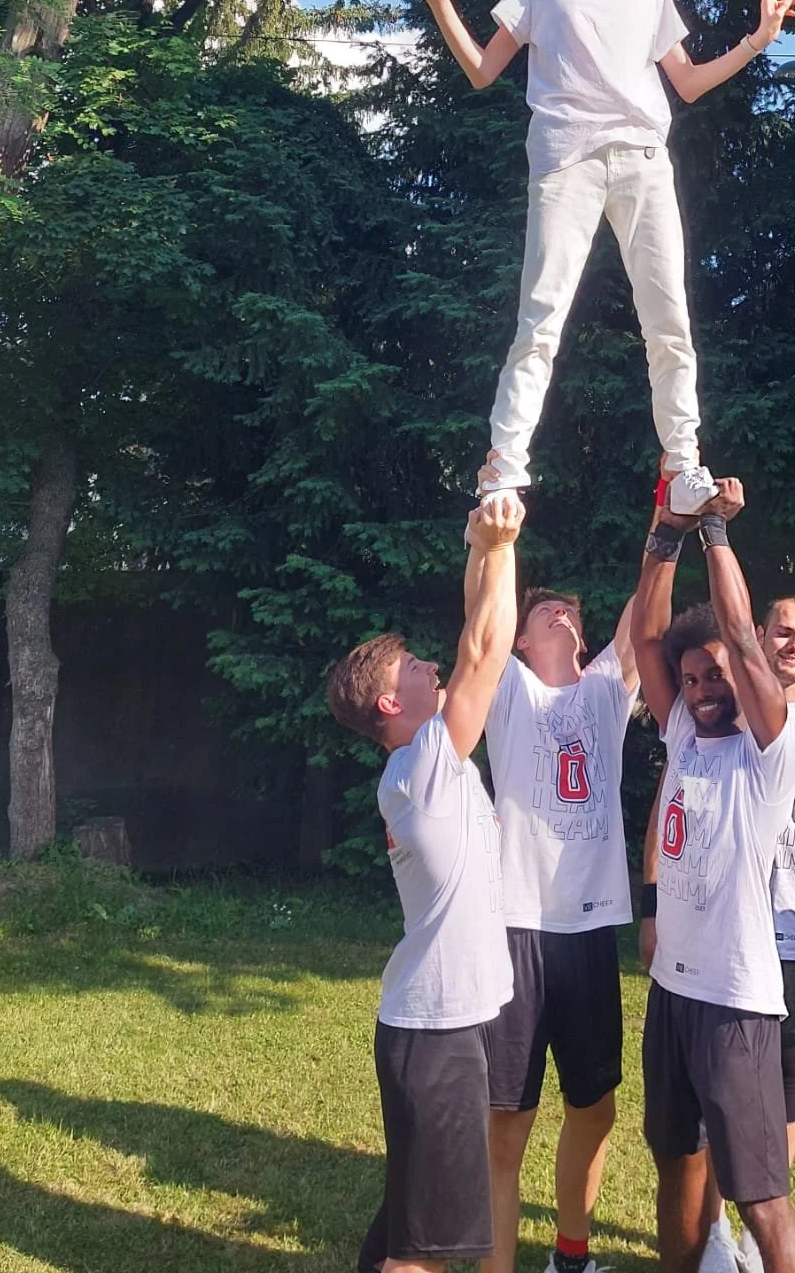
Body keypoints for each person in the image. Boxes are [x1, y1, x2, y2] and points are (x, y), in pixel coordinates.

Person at [403, 0, 795, 513]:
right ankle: (503, 466)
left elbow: (689, 82)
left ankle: (683, 466)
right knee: (542, 316)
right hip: (566, 162)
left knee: (668, 317)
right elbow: (479, 70)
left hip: (645, 161)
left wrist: (759, 38)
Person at [638, 597, 795, 1273]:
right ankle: (711, 1231)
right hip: (711, 942)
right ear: (757, 638)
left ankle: (749, 1237)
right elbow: (670, 811)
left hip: (791, 942)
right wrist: (654, 904)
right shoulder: (715, 716)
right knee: (702, 1117)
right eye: (785, 631)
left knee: (771, 1102)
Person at [326, 491, 524, 1273]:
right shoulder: (428, 765)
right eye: (414, 667)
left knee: (412, 1230)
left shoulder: (421, 767)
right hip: (435, 1035)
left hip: (436, 1028)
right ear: (388, 702)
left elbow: (477, 631)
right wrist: (502, 544)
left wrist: (482, 541)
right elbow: (486, 649)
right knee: (427, 1254)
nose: (432, 665)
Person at [632, 478, 795, 1273]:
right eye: (695, 678)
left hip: (736, 1000)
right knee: (674, 1160)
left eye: (719, 678)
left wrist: (713, 532)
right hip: (673, 989)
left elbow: (742, 638)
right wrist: (663, 535)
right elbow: (646, 641)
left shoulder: (770, 750)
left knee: (762, 1197)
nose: (706, 689)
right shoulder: (681, 732)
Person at [483, 583, 640, 1273]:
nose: (562, 614)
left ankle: (569, 1257)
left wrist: (669, 522)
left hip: (589, 931)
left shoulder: (606, 691)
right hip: (516, 926)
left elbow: (647, 612)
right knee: (508, 1120)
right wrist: (495, 529)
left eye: (572, 611)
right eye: (544, 612)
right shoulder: (511, 689)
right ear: (521, 640)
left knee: (594, 1105)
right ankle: (497, 1265)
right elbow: (483, 618)